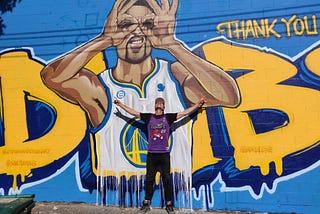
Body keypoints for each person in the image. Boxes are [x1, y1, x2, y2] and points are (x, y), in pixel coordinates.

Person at [40, 0, 240, 210]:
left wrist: (172, 45)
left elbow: (229, 96)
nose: (137, 32)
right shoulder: (101, 89)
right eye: (126, 24)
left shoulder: (174, 75)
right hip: (115, 202)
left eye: (148, 24)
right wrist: (104, 40)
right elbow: (52, 76)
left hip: (179, 193)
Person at [114, 96, 205, 213]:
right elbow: (133, 112)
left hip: (164, 155)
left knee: (166, 180)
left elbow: (184, 113)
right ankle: (146, 203)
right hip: (151, 155)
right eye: (157, 102)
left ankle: (169, 204)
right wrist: (120, 105)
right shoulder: (148, 117)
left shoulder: (168, 117)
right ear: (155, 105)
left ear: (164, 106)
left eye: (161, 103)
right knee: (149, 180)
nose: (159, 104)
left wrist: (197, 105)